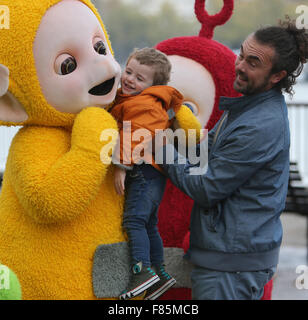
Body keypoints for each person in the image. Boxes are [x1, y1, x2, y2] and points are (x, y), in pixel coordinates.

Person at [155, 19, 308, 300]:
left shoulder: (259, 125)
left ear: (277, 75)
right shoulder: (246, 107)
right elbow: (205, 150)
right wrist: (167, 121)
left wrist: (161, 148)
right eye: (241, 54)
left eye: (253, 62)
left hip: (231, 267)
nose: (239, 65)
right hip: (227, 259)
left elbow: (207, 188)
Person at [109, 47, 183, 300]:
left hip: (143, 169)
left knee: (134, 221)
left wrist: (120, 166)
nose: (129, 79)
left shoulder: (144, 104)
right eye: (128, 71)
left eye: (139, 78)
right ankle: (160, 273)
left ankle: (141, 271)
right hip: (154, 171)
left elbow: (132, 135)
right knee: (149, 223)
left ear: (153, 86)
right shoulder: (140, 100)